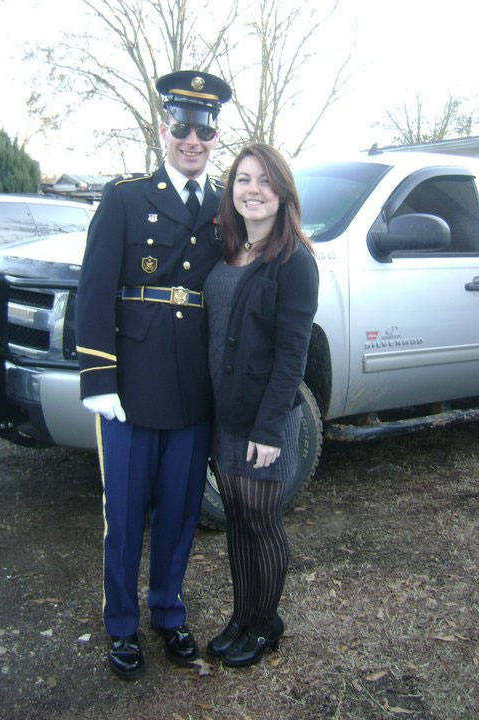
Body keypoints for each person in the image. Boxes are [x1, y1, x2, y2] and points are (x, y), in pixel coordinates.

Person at [75, 70, 232, 680]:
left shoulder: (225, 204)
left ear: (216, 134)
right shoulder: (125, 197)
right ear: (164, 126)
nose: (193, 139)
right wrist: (98, 378)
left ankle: (168, 612)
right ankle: (121, 624)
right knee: (126, 511)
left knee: (180, 510)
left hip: (194, 384)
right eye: (183, 126)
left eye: (206, 128)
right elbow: (95, 291)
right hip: (130, 384)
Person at [203, 143, 319, 667]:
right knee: (235, 518)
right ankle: (241, 615)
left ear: (283, 192)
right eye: (244, 179)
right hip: (223, 414)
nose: (253, 190)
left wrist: (270, 431)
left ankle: (266, 621)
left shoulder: (294, 263)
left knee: (261, 520)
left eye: (265, 181)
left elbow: (294, 357)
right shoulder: (226, 249)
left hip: (262, 419)